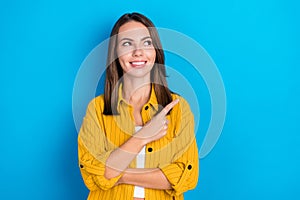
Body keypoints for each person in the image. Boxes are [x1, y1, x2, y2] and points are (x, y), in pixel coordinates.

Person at [78, 12, 199, 200]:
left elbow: (185, 175)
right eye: (127, 44)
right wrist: (142, 136)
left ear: (155, 51)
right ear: (116, 53)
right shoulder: (97, 110)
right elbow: (93, 175)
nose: (138, 52)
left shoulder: (178, 108)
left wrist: (118, 174)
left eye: (146, 43)